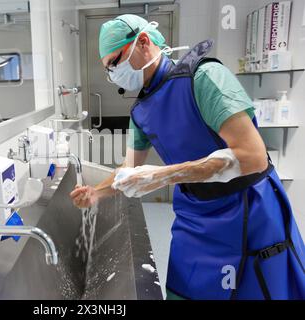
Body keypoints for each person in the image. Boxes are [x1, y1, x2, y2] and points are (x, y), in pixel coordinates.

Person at [70, 14, 305, 300]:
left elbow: (252, 157)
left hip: (246, 208)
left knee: (256, 288)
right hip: (195, 214)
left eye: (114, 64)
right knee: (186, 289)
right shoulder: (140, 111)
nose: (112, 76)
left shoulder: (204, 78)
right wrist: (96, 192)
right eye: (108, 70)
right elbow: (128, 167)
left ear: (142, 42)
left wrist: (162, 175)